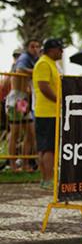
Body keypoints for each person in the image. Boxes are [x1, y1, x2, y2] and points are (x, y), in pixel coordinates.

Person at [33, 38, 64, 190]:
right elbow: (44, 87)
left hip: (51, 112)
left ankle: (46, 179)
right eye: (60, 49)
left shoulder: (51, 63)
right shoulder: (44, 63)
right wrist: (59, 101)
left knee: (46, 147)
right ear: (51, 49)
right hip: (47, 112)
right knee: (48, 147)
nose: (62, 52)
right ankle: (48, 179)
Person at [5, 40, 40, 171]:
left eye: (37, 46)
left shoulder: (33, 60)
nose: (35, 49)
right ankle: (13, 165)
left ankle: (25, 164)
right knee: (15, 133)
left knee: (31, 133)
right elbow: (20, 70)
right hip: (17, 100)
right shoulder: (24, 58)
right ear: (27, 48)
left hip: (23, 101)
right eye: (32, 46)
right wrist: (36, 71)